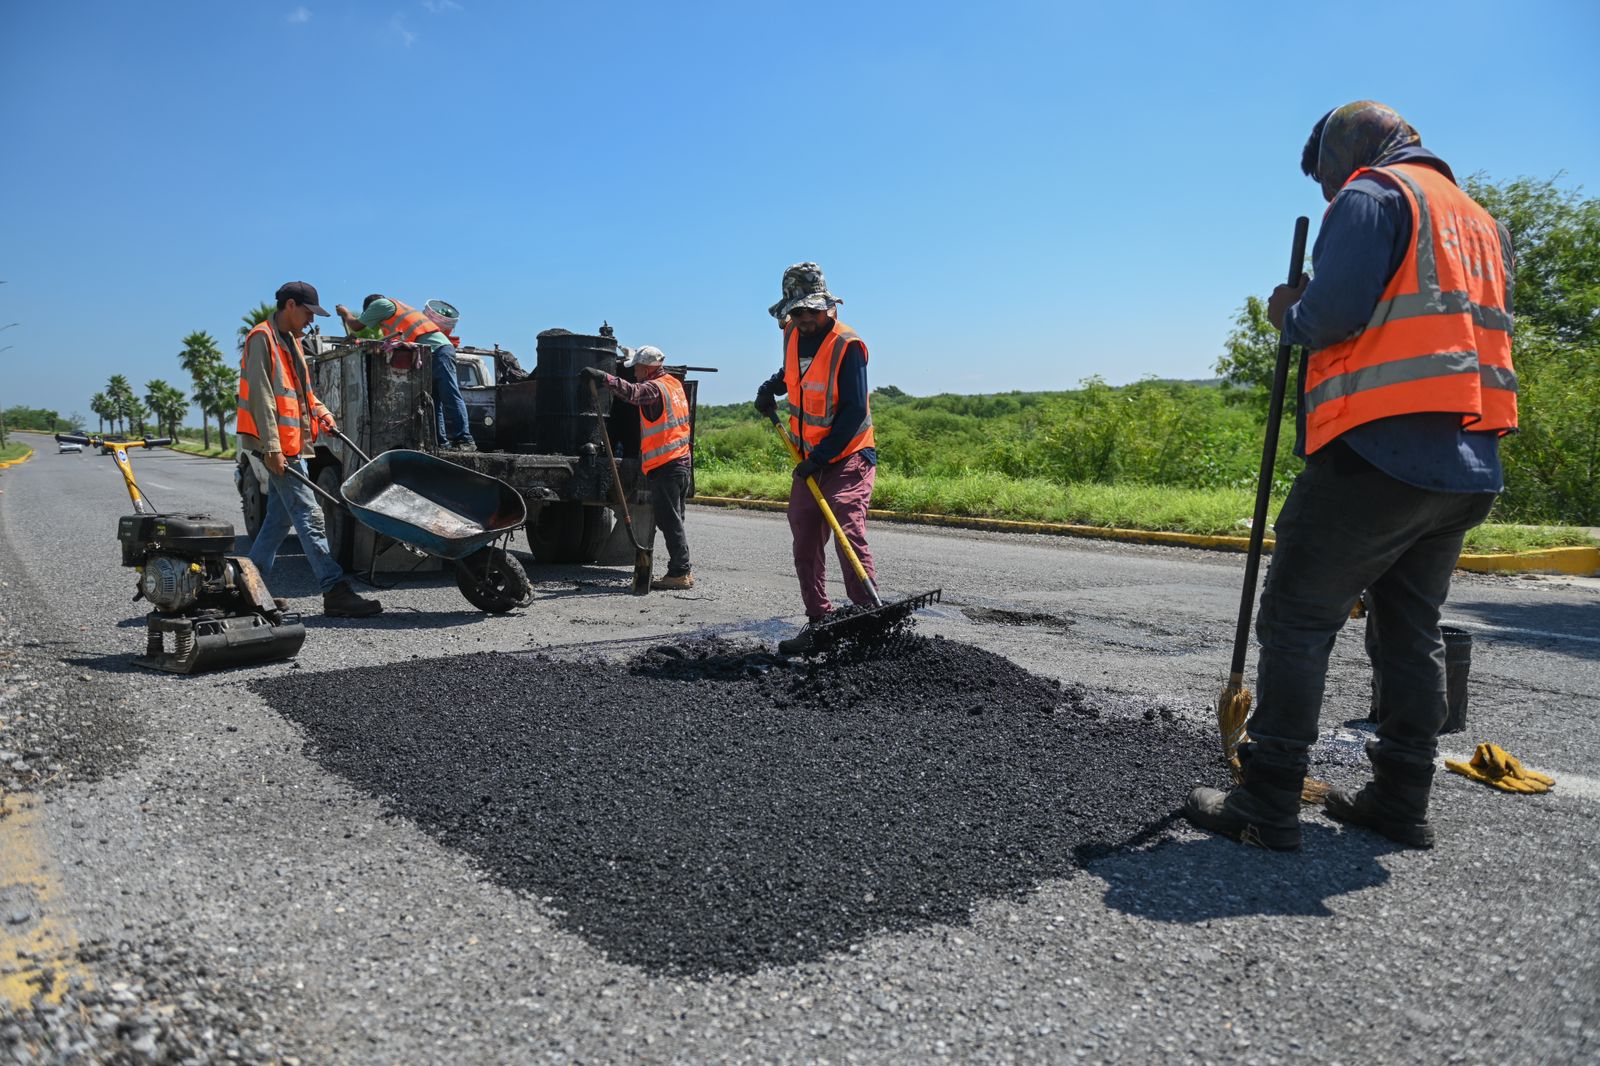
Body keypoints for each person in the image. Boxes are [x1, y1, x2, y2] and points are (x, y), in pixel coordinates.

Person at [1183, 101, 1516, 851]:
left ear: (1349, 151)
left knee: (1297, 618)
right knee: (1409, 632)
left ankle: (1266, 801)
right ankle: (1401, 801)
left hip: (1377, 456)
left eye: (1327, 180)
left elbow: (1330, 317)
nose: (1330, 198)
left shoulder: (1373, 196)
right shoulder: (1478, 220)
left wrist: (1289, 313)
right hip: (1468, 461)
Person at [754, 263, 878, 656]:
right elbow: (795, 372)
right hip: (809, 458)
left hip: (848, 454)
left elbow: (855, 409)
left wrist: (822, 456)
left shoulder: (848, 345)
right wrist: (771, 386)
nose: (804, 319)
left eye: (811, 311)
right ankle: (819, 621)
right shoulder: (793, 333)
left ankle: (867, 622)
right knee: (805, 534)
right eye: (797, 312)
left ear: (827, 305)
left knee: (845, 523)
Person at [239, 281, 382, 618]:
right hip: (274, 446)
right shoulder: (262, 338)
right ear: (290, 305)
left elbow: (302, 391)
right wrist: (272, 446)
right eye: (307, 312)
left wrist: (323, 412)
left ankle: (249, 591)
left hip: (291, 444)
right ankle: (334, 589)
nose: (309, 320)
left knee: (277, 520)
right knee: (310, 515)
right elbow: (261, 396)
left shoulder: (292, 341)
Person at [582, 345, 694, 590]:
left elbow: (634, 393)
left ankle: (680, 572)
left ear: (647, 367)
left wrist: (605, 378)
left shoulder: (654, 388)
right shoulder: (674, 384)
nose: (635, 373)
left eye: (637, 368)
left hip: (667, 465)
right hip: (682, 462)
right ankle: (682, 569)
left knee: (669, 520)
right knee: (674, 519)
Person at [335, 295, 476, 451]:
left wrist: (345, 312)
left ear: (370, 308)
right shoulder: (392, 312)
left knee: (449, 394)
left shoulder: (380, 304)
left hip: (439, 350)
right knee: (434, 403)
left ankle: (465, 440)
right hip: (430, 352)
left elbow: (356, 326)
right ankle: (441, 442)